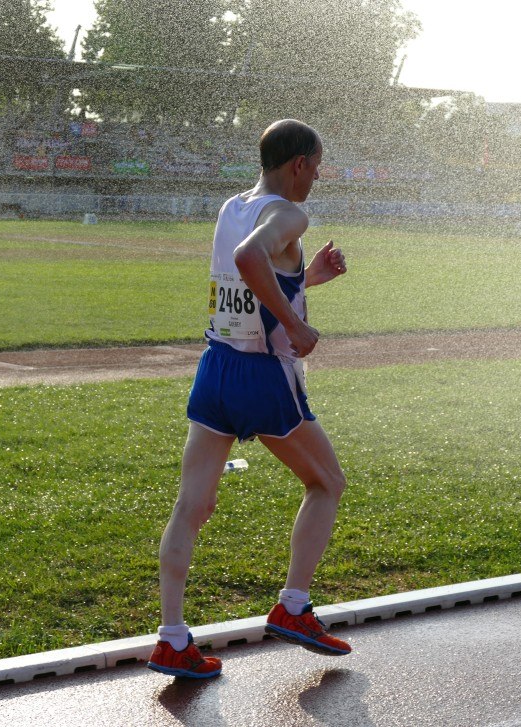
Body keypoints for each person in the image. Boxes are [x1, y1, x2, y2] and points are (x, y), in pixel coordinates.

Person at [147, 119, 350, 679]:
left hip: (215, 367)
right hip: (263, 376)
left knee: (193, 506)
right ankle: (292, 608)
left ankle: (170, 638)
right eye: (318, 164)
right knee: (327, 482)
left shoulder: (231, 205)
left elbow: (251, 279)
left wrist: (309, 278)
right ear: (298, 164)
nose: (318, 177)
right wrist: (297, 325)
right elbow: (248, 260)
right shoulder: (290, 213)